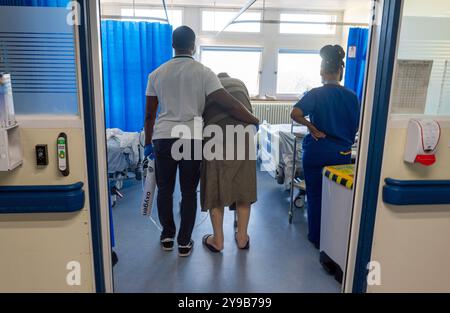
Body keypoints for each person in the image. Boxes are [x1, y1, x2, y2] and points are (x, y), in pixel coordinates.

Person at [144, 26, 259, 257]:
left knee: (165, 190)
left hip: (164, 138)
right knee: (188, 191)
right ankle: (184, 242)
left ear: (173, 45)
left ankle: (167, 236)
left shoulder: (156, 74)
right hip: (191, 137)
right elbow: (230, 104)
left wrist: (148, 143)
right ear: (193, 45)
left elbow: (149, 114)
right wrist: (253, 119)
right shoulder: (204, 72)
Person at [290, 45, 360, 249]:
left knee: (315, 196)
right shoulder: (352, 96)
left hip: (317, 151)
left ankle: (317, 238)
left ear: (322, 71)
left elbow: (295, 113)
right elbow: (355, 126)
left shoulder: (316, 94)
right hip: (341, 154)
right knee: (337, 198)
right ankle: (334, 239)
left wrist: (312, 127)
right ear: (341, 71)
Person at [200, 73, 257, 252]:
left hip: (215, 134)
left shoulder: (208, 84)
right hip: (244, 134)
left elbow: (201, 116)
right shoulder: (240, 82)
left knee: (215, 186)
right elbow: (247, 111)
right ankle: (242, 238)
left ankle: (217, 240)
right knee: (243, 186)